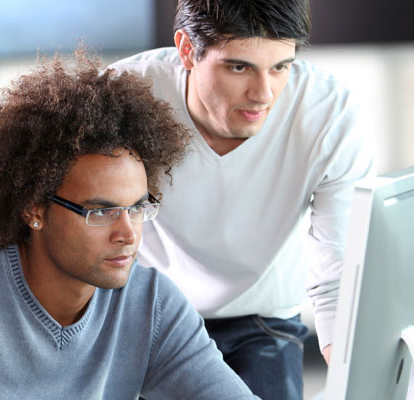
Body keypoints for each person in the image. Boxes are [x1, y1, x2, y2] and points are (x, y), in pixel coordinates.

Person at [0, 53, 257, 400]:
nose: (128, 233)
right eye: (100, 212)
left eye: (138, 207)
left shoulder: (151, 304)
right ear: (34, 209)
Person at [107, 0, 374, 397]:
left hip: (263, 319)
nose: (263, 94)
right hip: (149, 313)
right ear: (186, 50)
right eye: (239, 67)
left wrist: (362, 384)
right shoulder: (123, 97)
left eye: (281, 66)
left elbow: (338, 276)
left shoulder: (328, 114)